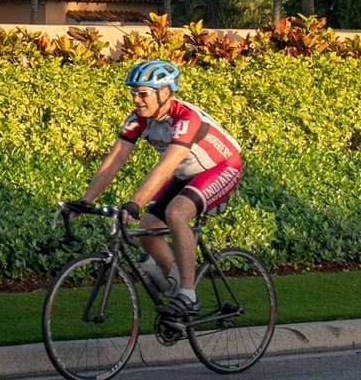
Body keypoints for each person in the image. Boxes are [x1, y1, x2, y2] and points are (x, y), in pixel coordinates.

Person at [70, 59, 244, 323]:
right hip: (186, 173)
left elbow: (165, 167)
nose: (136, 100)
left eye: (143, 93)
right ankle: (175, 293)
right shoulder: (139, 119)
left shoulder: (186, 118)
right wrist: (85, 200)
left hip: (221, 167)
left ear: (164, 93)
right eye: (133, 93)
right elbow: (115, 159)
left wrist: (134, 202)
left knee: (176, 213)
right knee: (148, 231)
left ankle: (188, 295)